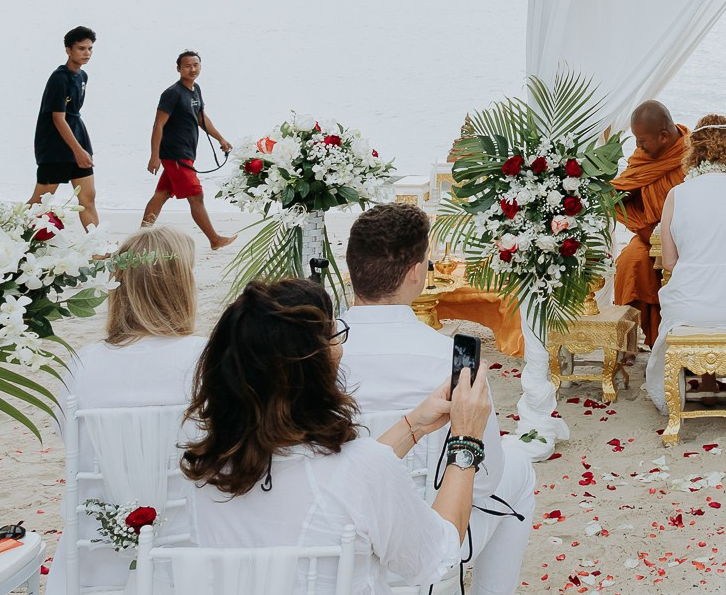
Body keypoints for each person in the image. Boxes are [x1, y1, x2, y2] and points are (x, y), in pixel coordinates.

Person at [186, 279, 493, 595]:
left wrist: (413, 425)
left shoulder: (206, 471)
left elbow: (332, 487)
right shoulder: (361, 470)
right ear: (311, 369)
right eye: (334, 334)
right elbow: (436, 557)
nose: (341, 348)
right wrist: (465, 440)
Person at [337, 204, 536, 595]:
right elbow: (484, 482)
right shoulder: (447, 362)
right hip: (425, 545)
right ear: (416, 272)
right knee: (518, 467)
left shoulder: (312, 355)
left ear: (352, 268)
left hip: (338, 536)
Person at [55, 225, 205, 595]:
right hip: (193, 549)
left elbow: (71, 445)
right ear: (181, 287)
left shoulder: (81, 364)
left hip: (93, 552)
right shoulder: (208, 358)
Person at [648, 114, 726, 412]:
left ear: (693, 149)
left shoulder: (677, 194)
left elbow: (668, 262)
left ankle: (705, 383)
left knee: (693, 293)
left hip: (688, 309)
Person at [611, 102, 690, 344]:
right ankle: (638, 340)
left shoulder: (695, 154)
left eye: (642, 139)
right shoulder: (644, 157)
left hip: (692, 239)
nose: (637, 146)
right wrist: (645, 231)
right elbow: (619, 194)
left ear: (664, 136)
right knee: (630, 262)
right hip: (650, 235)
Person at [143, 50, 236, 250]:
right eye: (187, 66)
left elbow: (201, 117)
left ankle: (141, 236)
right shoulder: (172, 93)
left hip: (185, 154)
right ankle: (214, 239)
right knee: (196, 196)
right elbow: (158, 125)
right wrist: (154, 156)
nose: (192, 69)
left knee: (161, 194)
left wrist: (221, 138)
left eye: (196, 65)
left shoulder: (196, 90)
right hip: (176, 155)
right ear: (178, 69)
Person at [30, 25, 99, 230]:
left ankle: (97, 248)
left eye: (89, 48)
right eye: (81, 48)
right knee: (40, 202)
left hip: (77, 138)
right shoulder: (59, 78)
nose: (87, 53)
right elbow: (58, 118)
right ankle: (10, 238)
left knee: (88, 197)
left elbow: (72, 114)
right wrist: (77, 151)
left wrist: (81, 148)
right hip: (55, 147)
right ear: (69, 51)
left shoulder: (82, 76)